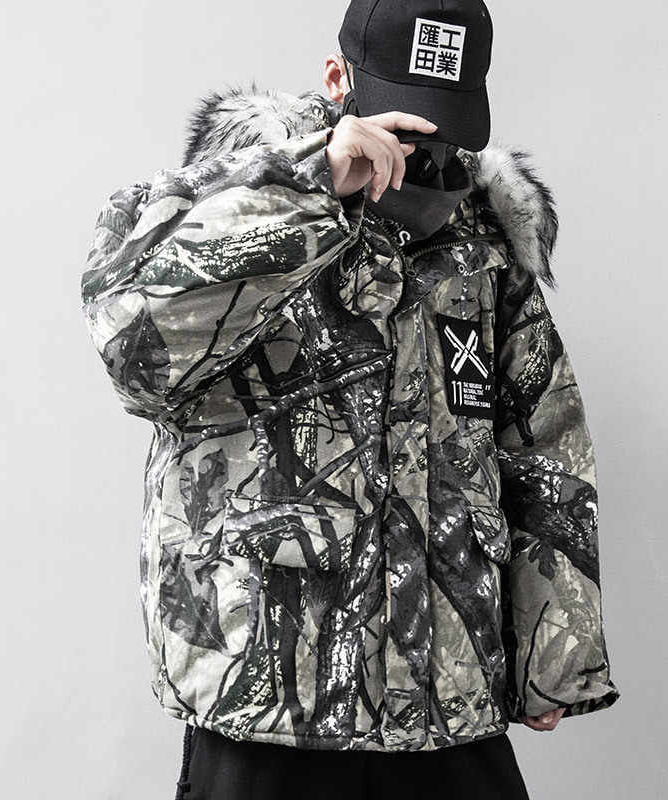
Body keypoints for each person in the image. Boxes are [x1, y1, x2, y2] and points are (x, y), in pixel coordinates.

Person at [80, 1, 619, 797]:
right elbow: (134, 347)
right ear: (338, 79)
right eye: (405, 116)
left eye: (448, 122)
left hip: (446, 690)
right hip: (271, 698)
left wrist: (555, 651)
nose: (426, 146)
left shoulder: (485, 239)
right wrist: (311, 187)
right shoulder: (231, 199)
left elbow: (542, 437)